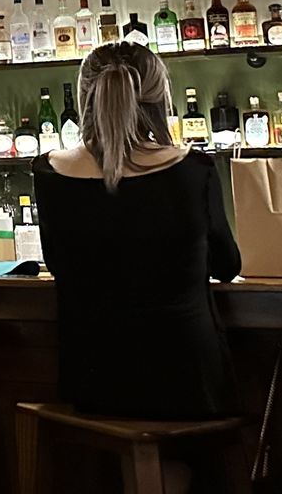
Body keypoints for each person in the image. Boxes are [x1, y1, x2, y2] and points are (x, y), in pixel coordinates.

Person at [36, 42, 239, 419]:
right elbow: (227, 265)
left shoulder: (48, 172)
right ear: (160, 97)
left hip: (93, 381)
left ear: (85, 97)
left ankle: (133, 477)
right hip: (187, 380)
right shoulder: (192, 168)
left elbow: (59, 263)